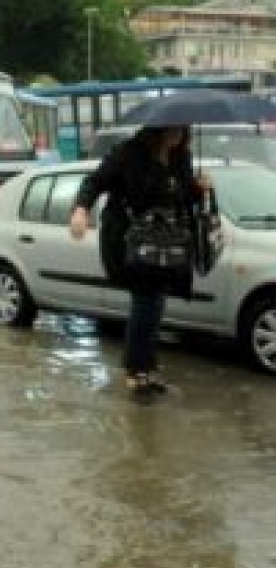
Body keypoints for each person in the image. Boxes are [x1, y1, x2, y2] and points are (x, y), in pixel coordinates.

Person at [69, 126, 208, 401]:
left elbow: (178, 196)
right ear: (157, 129)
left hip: (167, 245)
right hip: (131, 241)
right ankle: (137, 374)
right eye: (173, 129)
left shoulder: (181, 158)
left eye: (183, 129)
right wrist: (81, 209)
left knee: (154, 305)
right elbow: (94, 182)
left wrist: (198, 188)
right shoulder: (128, 154)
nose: (178, 134)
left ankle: (145, 369)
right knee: (147, 301)